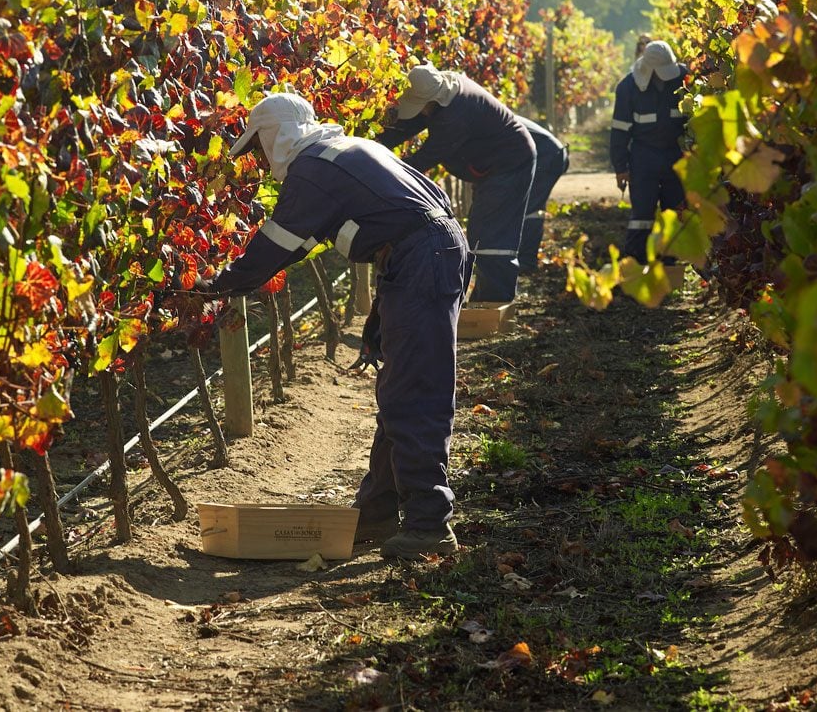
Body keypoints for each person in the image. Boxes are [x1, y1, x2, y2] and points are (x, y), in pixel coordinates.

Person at [203, 93, 473, 559]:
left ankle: (429, 524)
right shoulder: (345, 151)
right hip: (427, 255)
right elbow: (421, 213)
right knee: (400, 386)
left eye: (261, 147)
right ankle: (378, 512)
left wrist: (216, 285)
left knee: (414, 391)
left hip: (422, 260)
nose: (262, 160)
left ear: (276, 135)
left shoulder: (313, 171)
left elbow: (276, 246)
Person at [379, 62, 535, 303]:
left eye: (421, 107)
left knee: (491, 234)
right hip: (494, 163)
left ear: (433, 102)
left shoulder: (456, 114)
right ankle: (488, 300)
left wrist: (381, 168)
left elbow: (425, 157)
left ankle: (494, 303)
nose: (419, 111)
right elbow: (408, 125)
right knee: (484, 230)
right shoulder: (442, 88)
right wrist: (377, 144)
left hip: (509, 164)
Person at [609, 40, 688, 263]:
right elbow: (620, 131)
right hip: (643, 157)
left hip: (676, 154)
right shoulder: (628, 88)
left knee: (674, 210)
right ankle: (637, 260)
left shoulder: (684, 80)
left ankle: (669, 261)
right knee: (642, 213)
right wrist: (620, 167)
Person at [514, 115, 569, 273]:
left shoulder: (486, 123)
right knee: (526, 206)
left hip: (546, 155)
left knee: (531, 209)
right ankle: (522, 258)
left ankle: (526, 262)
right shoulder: (487, 114)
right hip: (546, 153)